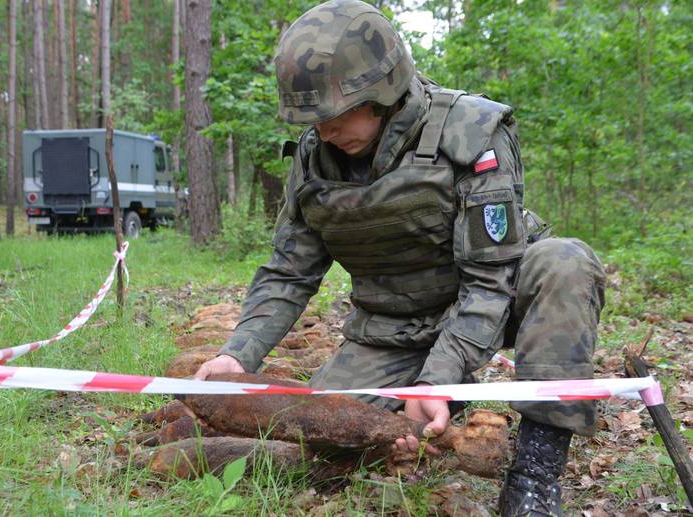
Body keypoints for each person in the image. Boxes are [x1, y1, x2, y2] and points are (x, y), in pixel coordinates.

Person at [195, 1, 606, 514]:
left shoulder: (470, 131)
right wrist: (237, 354)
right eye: (312, 119)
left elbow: (490, 278)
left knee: (564, 261)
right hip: (394, 327)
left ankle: (534, 475)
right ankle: (450, 398)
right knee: (318, 441)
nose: (322, 131)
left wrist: (440, 373)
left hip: (495, 301)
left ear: (382, 93)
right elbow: (289, 270)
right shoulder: (314, 154)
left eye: (334, 115)